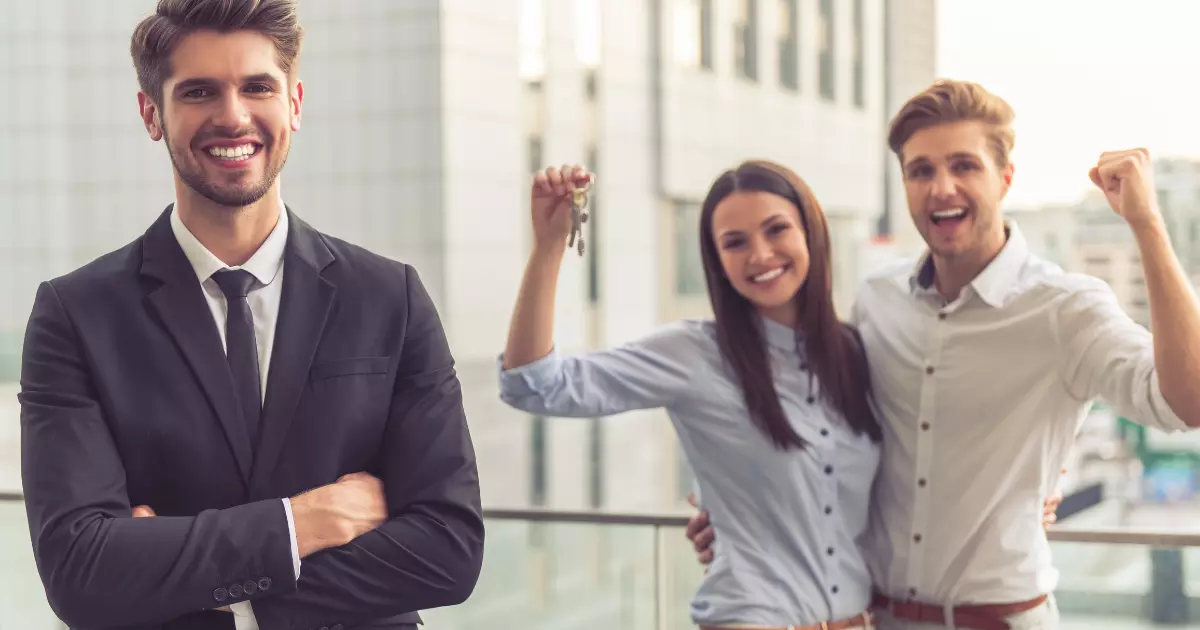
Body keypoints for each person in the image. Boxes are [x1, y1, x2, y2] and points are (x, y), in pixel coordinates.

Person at [18, 1, 484, 628]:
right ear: (152, 114)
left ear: (293, 102)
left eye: (256, 87)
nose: (232, 116)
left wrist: (199, 588)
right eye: (199, 92)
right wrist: (307, 521)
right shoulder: (75, 315)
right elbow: (80, 571)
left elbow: (448, 552)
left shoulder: (388, 297)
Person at [686, 79, 1200, 629]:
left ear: (1005, 178)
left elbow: (1185, 404)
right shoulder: (876, 300)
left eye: (964, 166)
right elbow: (828, 438)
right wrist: (739, 503)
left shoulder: (1066, 308)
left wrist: (1146, 224)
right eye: (921, 171)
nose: (942, 188)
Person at [499, 160, 884, 629]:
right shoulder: (694, 353)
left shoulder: (858, 352)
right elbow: (534, 384)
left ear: (811, 233)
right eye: (735, 243)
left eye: (776, 230)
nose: (760, 255)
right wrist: (549, 248)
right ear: (717, 261)